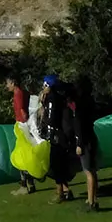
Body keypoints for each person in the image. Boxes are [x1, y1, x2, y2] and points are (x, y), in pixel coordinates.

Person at [39, 75, 76, 203]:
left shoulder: (51, 99)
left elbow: (51, 118)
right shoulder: (60, 98)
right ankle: (66, 190)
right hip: (62, 135)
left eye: (44, 85)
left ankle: (59, 192)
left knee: (56, 165)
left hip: (56, 136)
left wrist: (43, 115)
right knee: (59, 164)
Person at [72, 76, 100, 212]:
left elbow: (79, 125)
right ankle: (93, 199)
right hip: (91, 137)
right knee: (93, 170)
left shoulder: (80, 105)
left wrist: (78, 143)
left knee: (88, 171)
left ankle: (91, 203)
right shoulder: (90, 101)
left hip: (85, 140)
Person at [5, 75, 36, 195]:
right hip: (26, 126)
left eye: (8, 83)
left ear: (13, 83)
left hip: (23, 127)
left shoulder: (18, 94)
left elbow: (22, 112)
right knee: (26, 155)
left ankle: (25, 185)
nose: (7, 86)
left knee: (21, 156)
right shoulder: (23, 92)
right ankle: (30, 184)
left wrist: (24, 125)